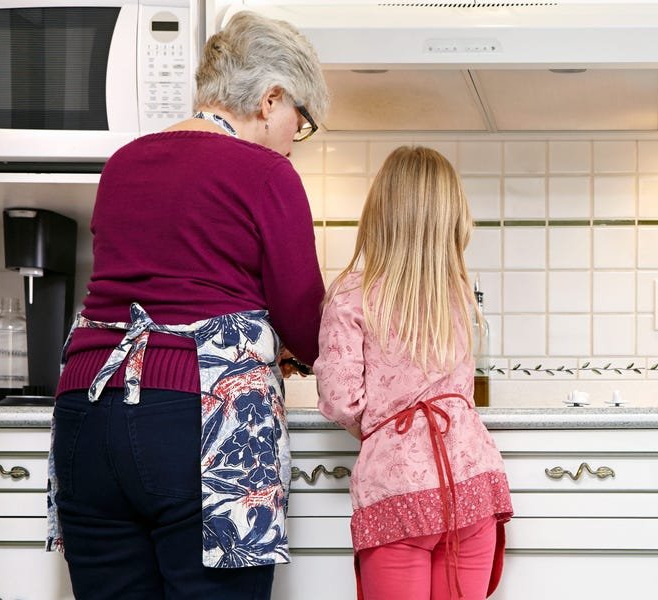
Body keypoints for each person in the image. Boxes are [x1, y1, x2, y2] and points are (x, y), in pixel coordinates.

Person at [46, 11, 328, 599]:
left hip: (87, 414)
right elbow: (304, 317)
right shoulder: (265, 172)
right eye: (298, 124)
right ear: (271, 100)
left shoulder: (124, 162)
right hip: (198, 420)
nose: (292, 143)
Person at [314, 146, 514, 600]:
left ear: (378, 213)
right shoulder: (457, 294)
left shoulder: (351, 295)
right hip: (470, 486)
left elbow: (341, 401)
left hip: (397, 491)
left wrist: (388, 429)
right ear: (453, 220)